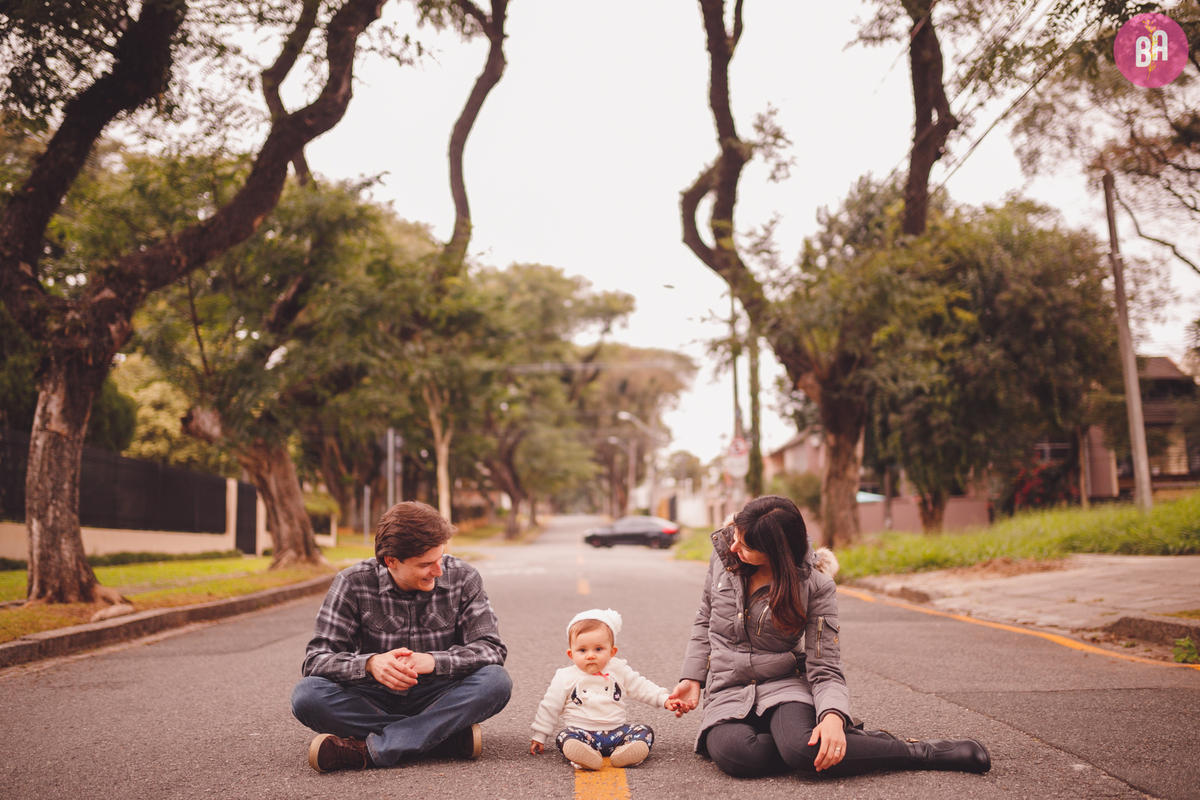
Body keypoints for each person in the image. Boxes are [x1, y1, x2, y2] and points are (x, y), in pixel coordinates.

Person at [667, 495, 991, 779]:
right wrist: (692, 678)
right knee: (739, 756)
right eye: (735, 535)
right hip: (729, 686)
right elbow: (705, 619)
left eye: (746, 545)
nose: (732, 547)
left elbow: (825, 665)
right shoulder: (725, 558)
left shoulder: (816, 586)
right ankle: (849, 746)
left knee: (803, 752)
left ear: (775, 553)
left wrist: (833, 716)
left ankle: (919, 752)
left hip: (784, 684)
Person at [290, 501, 512, 773]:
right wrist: (371, 664)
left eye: (440, 558)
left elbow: (491, 648)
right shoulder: (353, 582)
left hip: (439, 695)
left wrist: (432, 661)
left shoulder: (463, 577)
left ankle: (366, 751)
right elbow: (316, 660)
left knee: (496, 682)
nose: (439, 571)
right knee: (307, 696)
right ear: (390, 561)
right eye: (426, 564)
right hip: (372, 698)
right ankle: (440, 736)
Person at [529, 608, 682, 770]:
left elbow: (641, 687)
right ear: (571, 654)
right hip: (582, 734)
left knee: (644, 731)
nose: (590, 655)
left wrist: (665, 699)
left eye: (598, 649)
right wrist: (540, 735)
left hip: (616, 733)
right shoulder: (565, 676)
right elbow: (551, 706)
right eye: (582, 650)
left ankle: (626, 753)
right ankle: (584, 756)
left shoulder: (619, 670)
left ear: (612, 652)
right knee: (564, 736)